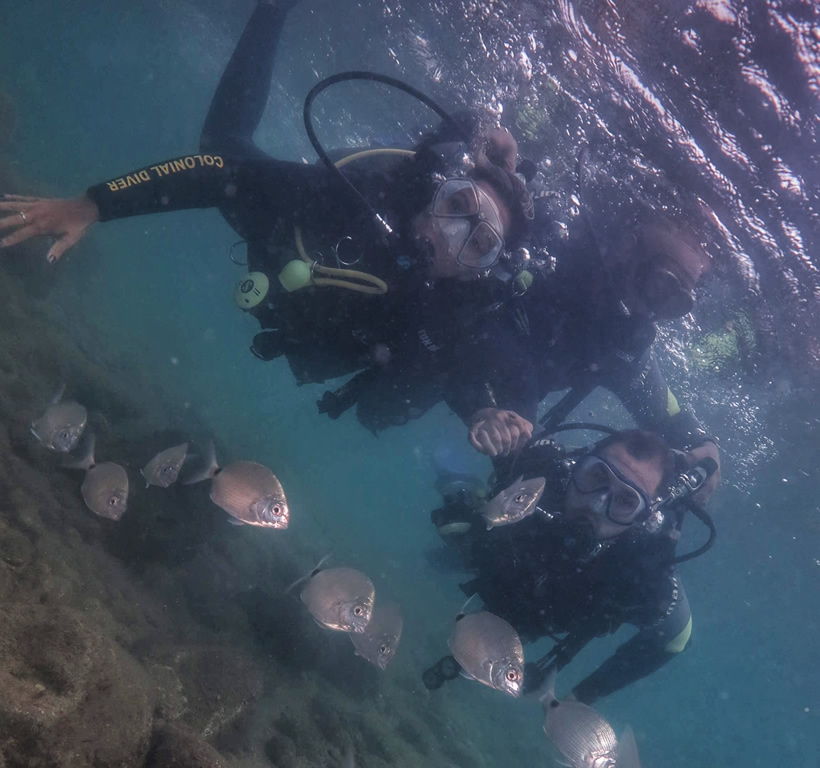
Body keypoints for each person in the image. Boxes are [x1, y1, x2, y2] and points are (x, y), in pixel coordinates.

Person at [0, 0, 537, 442]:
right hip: (281, 234)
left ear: (481, 269)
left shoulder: (450, 312)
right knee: (224, 148)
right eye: (458, 206)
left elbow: (461, 371)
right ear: (438, 192)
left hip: (297, 310)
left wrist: (483, 415)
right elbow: (215, 173)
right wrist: (92, 205)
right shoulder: (356, 196)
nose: (450, 232)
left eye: (480, 241)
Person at [459, 208, 722, 502]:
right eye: (661, 284)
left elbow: (663, 408)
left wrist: (700, 442)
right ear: (625, 249)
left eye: (676, 302)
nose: (653, 310)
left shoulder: (617, 343)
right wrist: (483, 406)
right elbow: (460, 340)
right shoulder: (540, 271)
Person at [427, 428, 705, 705]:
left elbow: (677, 638)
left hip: (535, 611)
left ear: (642, 520)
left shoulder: (642, 575)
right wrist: (487, 419)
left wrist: (581, 697)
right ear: (576, 466)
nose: (596, 505)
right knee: (459, 525)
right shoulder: (540, 468)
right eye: (597, 476)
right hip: (492, 557)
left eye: (626, 501)